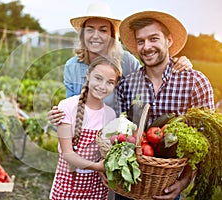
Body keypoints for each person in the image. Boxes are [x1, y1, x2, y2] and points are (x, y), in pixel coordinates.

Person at [116, 10, 215, 200]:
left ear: (168, 40)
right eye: (141, 41)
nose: (147, 47)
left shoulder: (195, 82)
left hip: (166, 187)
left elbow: (204, 142)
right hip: (126, 183)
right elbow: (117, 132)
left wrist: (184, 181)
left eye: (154, 38)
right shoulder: (126, 84)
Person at [48, 2, 192, 125]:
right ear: (83, 35)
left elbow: (151, 76)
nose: (95, 35)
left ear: (112, 35)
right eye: (90, 29)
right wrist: (59, 114)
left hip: (116, 136)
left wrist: (179, 62)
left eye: (103, 30)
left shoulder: (126, 61)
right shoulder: (72, 66)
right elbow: (71, 106)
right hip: (85, 133)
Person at [49, 56, 122, 199]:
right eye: (98, 78)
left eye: (110, 82)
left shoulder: (110, 114)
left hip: (96, 189)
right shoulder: (67, 107)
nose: (102, 86)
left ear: (116, 84)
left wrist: (101, 171)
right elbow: (68, 154)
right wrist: (97, 167)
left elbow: (101, 154)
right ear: (88, 75)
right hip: (67, 187)